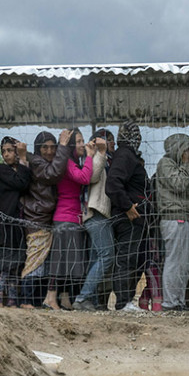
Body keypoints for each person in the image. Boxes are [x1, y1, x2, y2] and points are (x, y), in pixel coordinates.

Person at [44, 130, 104, 310]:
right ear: (70, 145)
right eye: (78, 141)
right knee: (60, 261)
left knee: (69, 262)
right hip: (65, 217)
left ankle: (64, 298)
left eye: (83, 140)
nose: (82, 144)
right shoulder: (68, 163)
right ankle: (50, 297)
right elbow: (84, 178)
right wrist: (90, 156)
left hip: (73, 217)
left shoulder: (72, 162)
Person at [105, 122, 152, 311]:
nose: (138, 139)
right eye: (136, 135)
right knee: (126, 258)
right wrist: (127, 207)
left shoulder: (128, 155)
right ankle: (123, 302)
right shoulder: (125, 155)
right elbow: (113, 184)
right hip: (128, 218)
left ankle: (126, 300)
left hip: (134, 217)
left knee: (131, 258)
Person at [23, 130, 72, 308]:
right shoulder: (37, 162)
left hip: (44, 217)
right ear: (38, 148)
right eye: (45, 147)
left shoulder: (37, 161)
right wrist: (63, 147)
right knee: (35, 260)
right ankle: (27, 301)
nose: (50, 151)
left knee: (43, 261)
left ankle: (36, 301)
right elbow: (54, 173)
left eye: (53, 147)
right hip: (37, 217)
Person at [154, 133, 189, 311]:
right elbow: (179, 184)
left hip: (183, 217)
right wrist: (185, 165)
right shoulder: (166, 164)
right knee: (174, 260)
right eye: (188, 151)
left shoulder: (179, 165)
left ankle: (178, 300)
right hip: (173, 217)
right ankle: (170, 301)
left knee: (185, 262)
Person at [73, 128, 116, 311]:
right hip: (95, 212)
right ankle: (83, 298)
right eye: (110, 141)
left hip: (97, 213)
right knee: (107, 256)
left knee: (95, 258)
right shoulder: (92, 158)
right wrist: (100, 152)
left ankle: (92, 300)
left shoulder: (98, 158)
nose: (113, 145)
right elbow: (92, 176)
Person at [0, 137, 31, 307]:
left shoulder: (21, 169)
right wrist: (22, 160)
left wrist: (23, 163)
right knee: (4, 263)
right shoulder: (1, 170)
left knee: (17, 264)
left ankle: (13, 300)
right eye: (4, 151)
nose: (6, 154)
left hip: (18, 224)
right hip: (5, 224)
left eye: (10, 150)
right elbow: (22, 183)